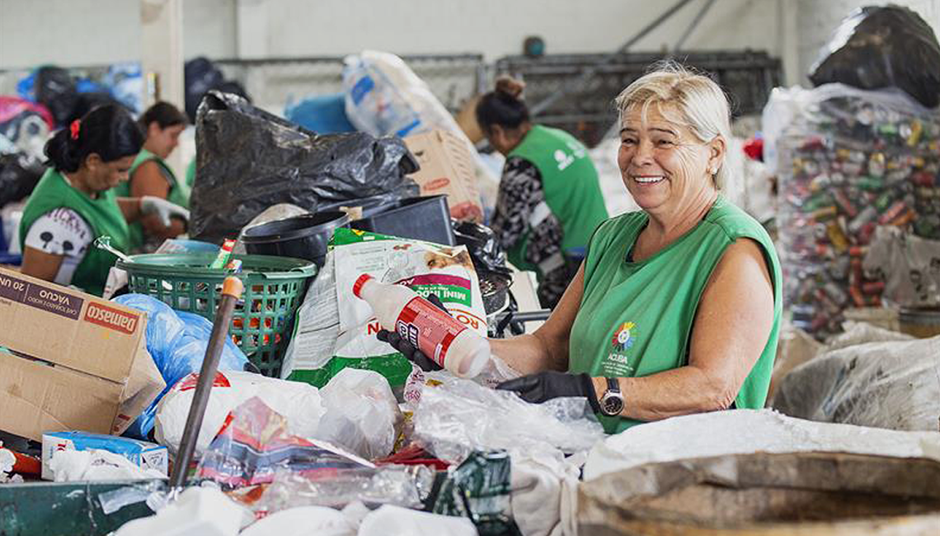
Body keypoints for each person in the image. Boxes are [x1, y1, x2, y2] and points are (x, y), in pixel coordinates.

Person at [389, 65, 782, 435]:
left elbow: (711, 388)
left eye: (663, 141)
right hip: (593, 462)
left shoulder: (733, 249)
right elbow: (549, 347)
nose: (640, 156)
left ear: (713, 153)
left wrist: (593, 391)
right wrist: (458, 349)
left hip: (678, 483)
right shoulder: (613, 237)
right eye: (629, 139)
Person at [20, 104, 189, 296]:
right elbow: (31, 295)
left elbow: (99, 213)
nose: (125, 177)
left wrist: (144, 206)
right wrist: (70, 300)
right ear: (93, 161)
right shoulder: (58, 221)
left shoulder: (89, 182)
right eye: (121, 170)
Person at [476, 76, 609, 308]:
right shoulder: (557, 137)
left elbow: (505, 233)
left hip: (567, 269)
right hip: (602, 246)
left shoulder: (522, 163)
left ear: (496, 132)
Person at [113, 101, 189, 252]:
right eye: (173, 135)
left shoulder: (141, 160)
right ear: (154, 129)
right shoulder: (147, 165)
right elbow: (156, 222)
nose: (176, 144)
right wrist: (192, 224)